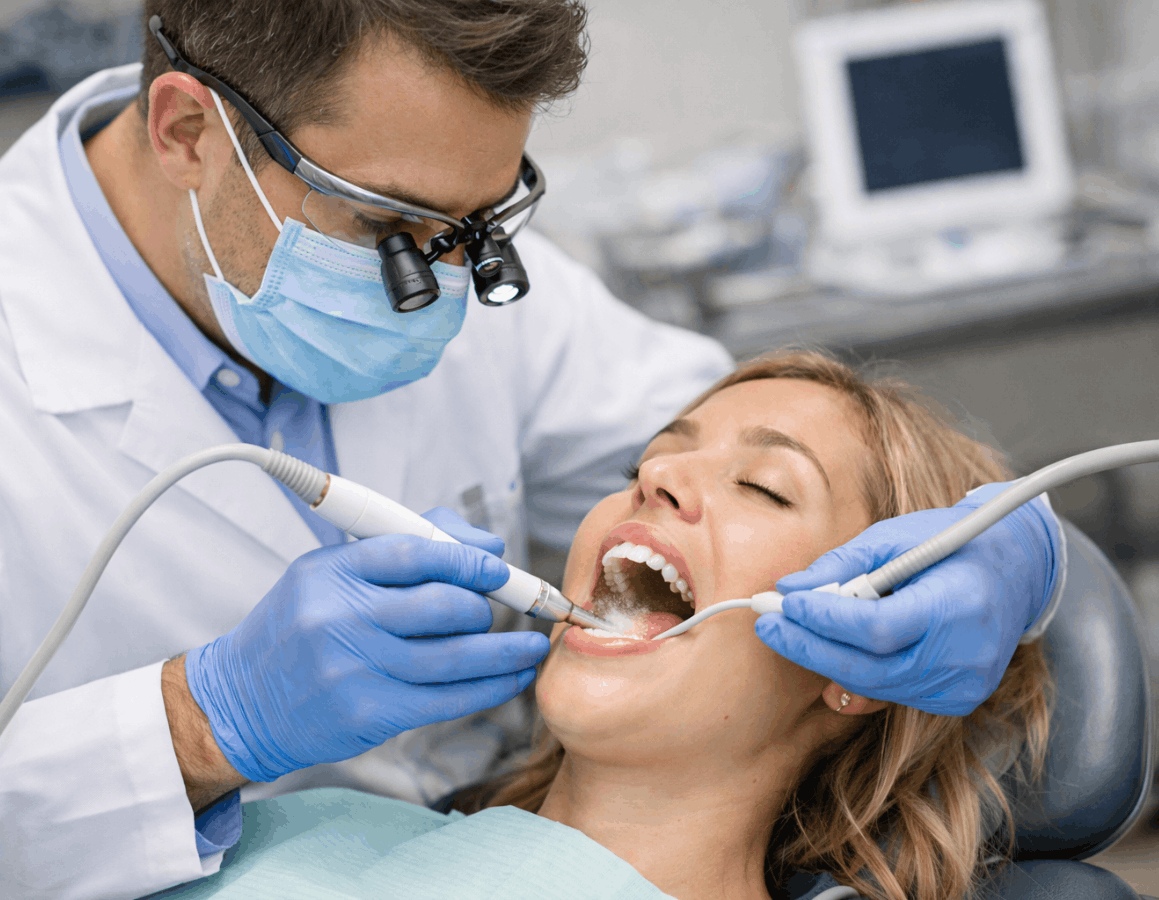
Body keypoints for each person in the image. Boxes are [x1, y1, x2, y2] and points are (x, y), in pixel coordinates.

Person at [0, 3, 1063, 898]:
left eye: (477, 227)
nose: (656, 476)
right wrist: (200, 724)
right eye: (392, 230)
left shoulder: (439, 216)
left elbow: (835, 449)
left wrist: (1019, 546)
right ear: (189, 133)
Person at [147, 352, 1053, 900]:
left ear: (868, 652)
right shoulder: (309, 828)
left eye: (766, 488)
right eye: (647, 461)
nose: (655, 481)